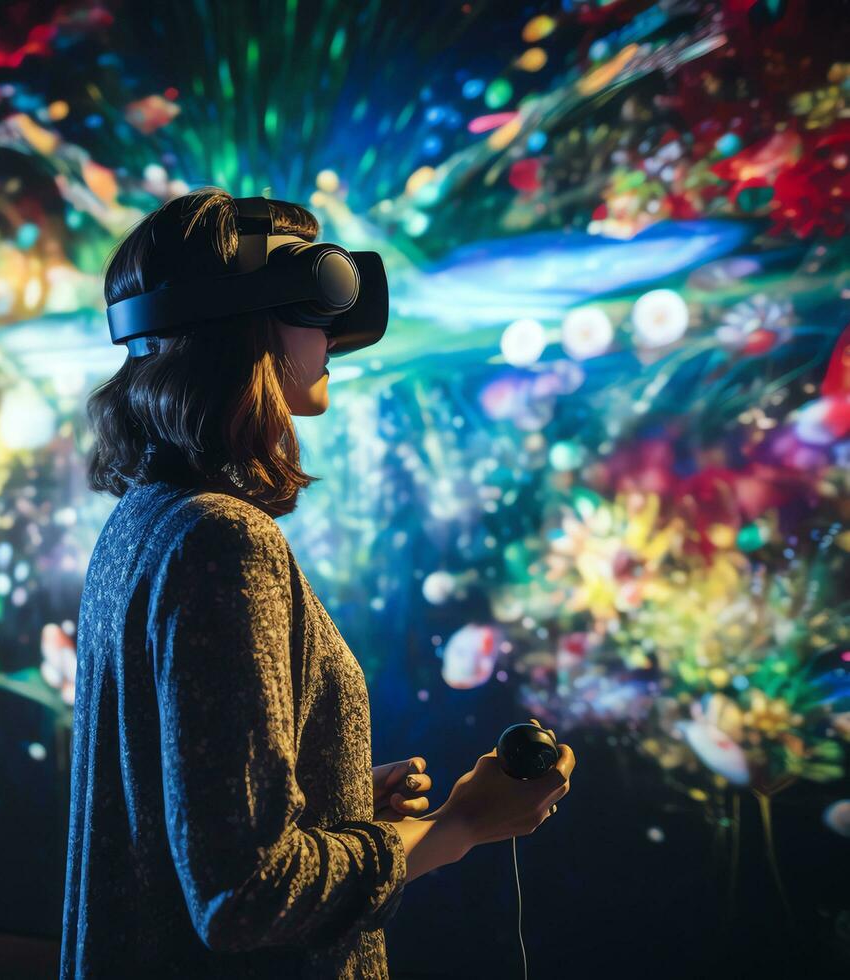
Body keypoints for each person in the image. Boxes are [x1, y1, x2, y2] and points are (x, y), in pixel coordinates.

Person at [59, 187, 575, 979]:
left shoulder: (144, 522)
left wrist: (339, 801)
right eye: (314, 300)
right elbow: (246, 897)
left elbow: (184, 826)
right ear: (250, 318)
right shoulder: (223, 538)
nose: (331, 332)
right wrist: (461, 825)